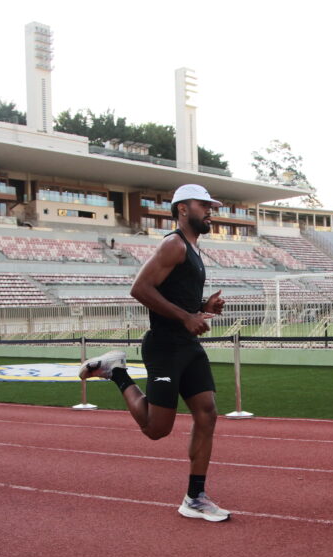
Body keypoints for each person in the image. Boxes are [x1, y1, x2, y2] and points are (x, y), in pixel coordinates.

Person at [79, 184, 229, 522]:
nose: (209, 211)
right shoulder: (173, 245)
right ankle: (116, 371)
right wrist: (187, 317)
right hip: (164, 346)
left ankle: (195, 496)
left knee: (207, 413)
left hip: (187, 346)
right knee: (156, 429)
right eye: (202, 205)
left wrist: (203, 308)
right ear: (181, 209)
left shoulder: (194, 249)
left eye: (210, 206)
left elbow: (178, 300)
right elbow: (140, 289)